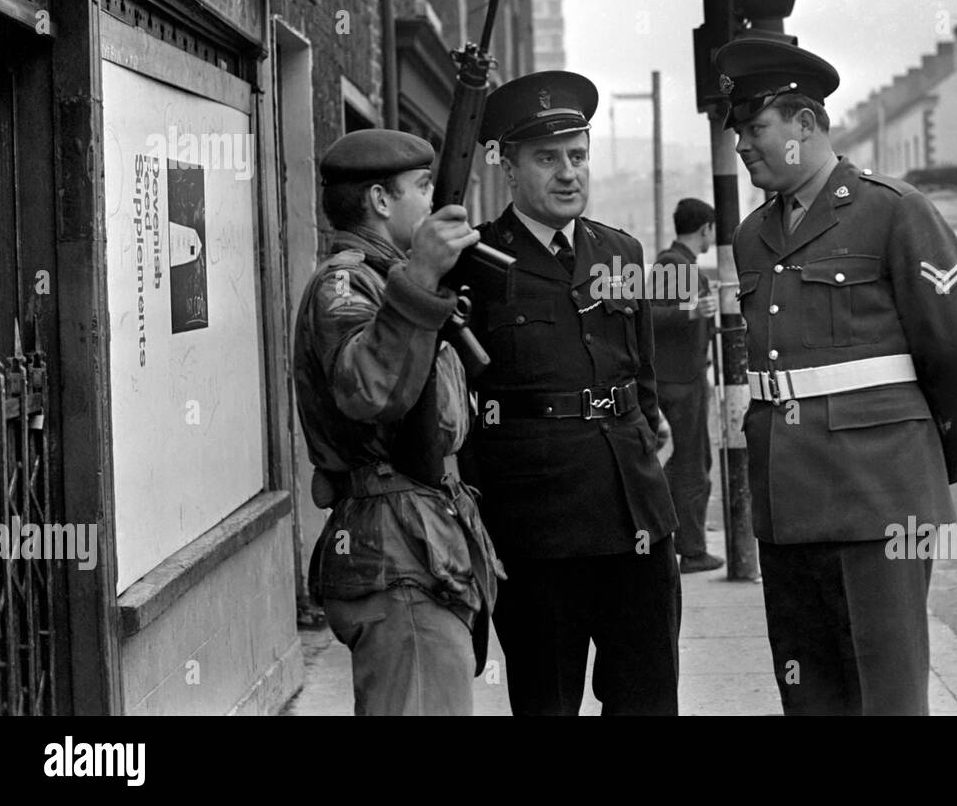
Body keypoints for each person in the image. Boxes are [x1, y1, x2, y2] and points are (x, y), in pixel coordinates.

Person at [715, 37, 957, 715]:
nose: (744, 145)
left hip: (879, 499)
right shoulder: (752, 236)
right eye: (740, 131)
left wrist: (922, 466)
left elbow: (955, 357)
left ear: (804, 124)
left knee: (886, 696)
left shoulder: (893, 210)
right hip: (788, 505)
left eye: (756, 127)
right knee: (810, 698)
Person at [464, 70, 681, 716]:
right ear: (509, 165)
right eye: (548, 158)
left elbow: (641, 378)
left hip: (634, 515)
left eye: (578, 156)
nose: (568, 173)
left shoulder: (621, 252)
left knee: (647, 695)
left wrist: (648, 449)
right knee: (547, 700)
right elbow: (452, 404)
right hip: (536, 526)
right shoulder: (474, 260)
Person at [292, 128, 503, 716]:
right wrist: (418, 281)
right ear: (381, 201)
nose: (435, 202)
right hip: (397, 549)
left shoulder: (393, 278)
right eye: (422, 187)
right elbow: (369, 391)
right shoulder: (347, 283)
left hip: (418, 539)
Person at [652, 198, 724, 574]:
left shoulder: (681, 265)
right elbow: (653, 315)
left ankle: (677, 539)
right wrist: (693, 311)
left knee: (686, 462)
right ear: (706, 228)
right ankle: (692, 548)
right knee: (691, 465)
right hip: (682, 382)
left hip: (682, 378)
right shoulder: (674, 265)